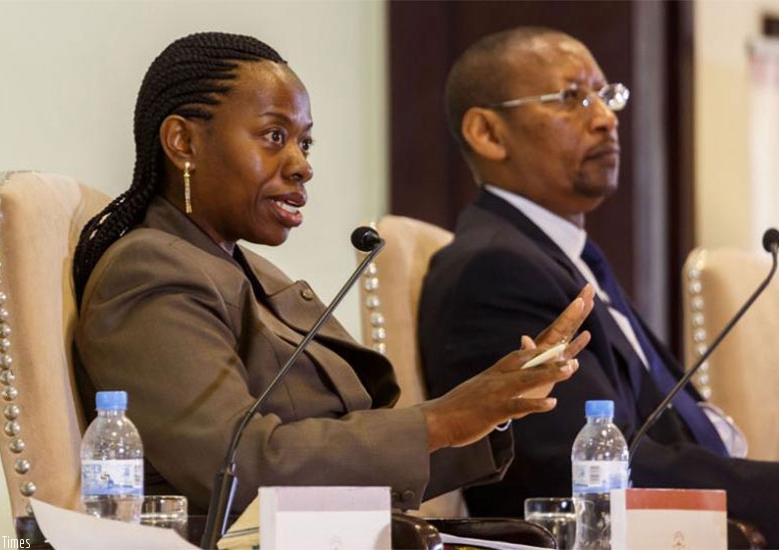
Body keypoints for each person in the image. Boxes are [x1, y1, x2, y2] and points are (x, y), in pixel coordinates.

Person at [71, 32, 594, 518]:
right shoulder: (149, 271)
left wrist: (488, 406)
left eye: (304, 143)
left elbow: (348, 456)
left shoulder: (241, 269)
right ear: (183, 142)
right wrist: (440, 421)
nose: (301, 165)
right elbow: (233, 467)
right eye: (274, 135)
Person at [418, 26, 779, 545]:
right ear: (488, 133)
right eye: (571, 98)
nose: (606, 117)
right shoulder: (494, 269)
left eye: (607, 96)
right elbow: (592, 470)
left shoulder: (565, 257)